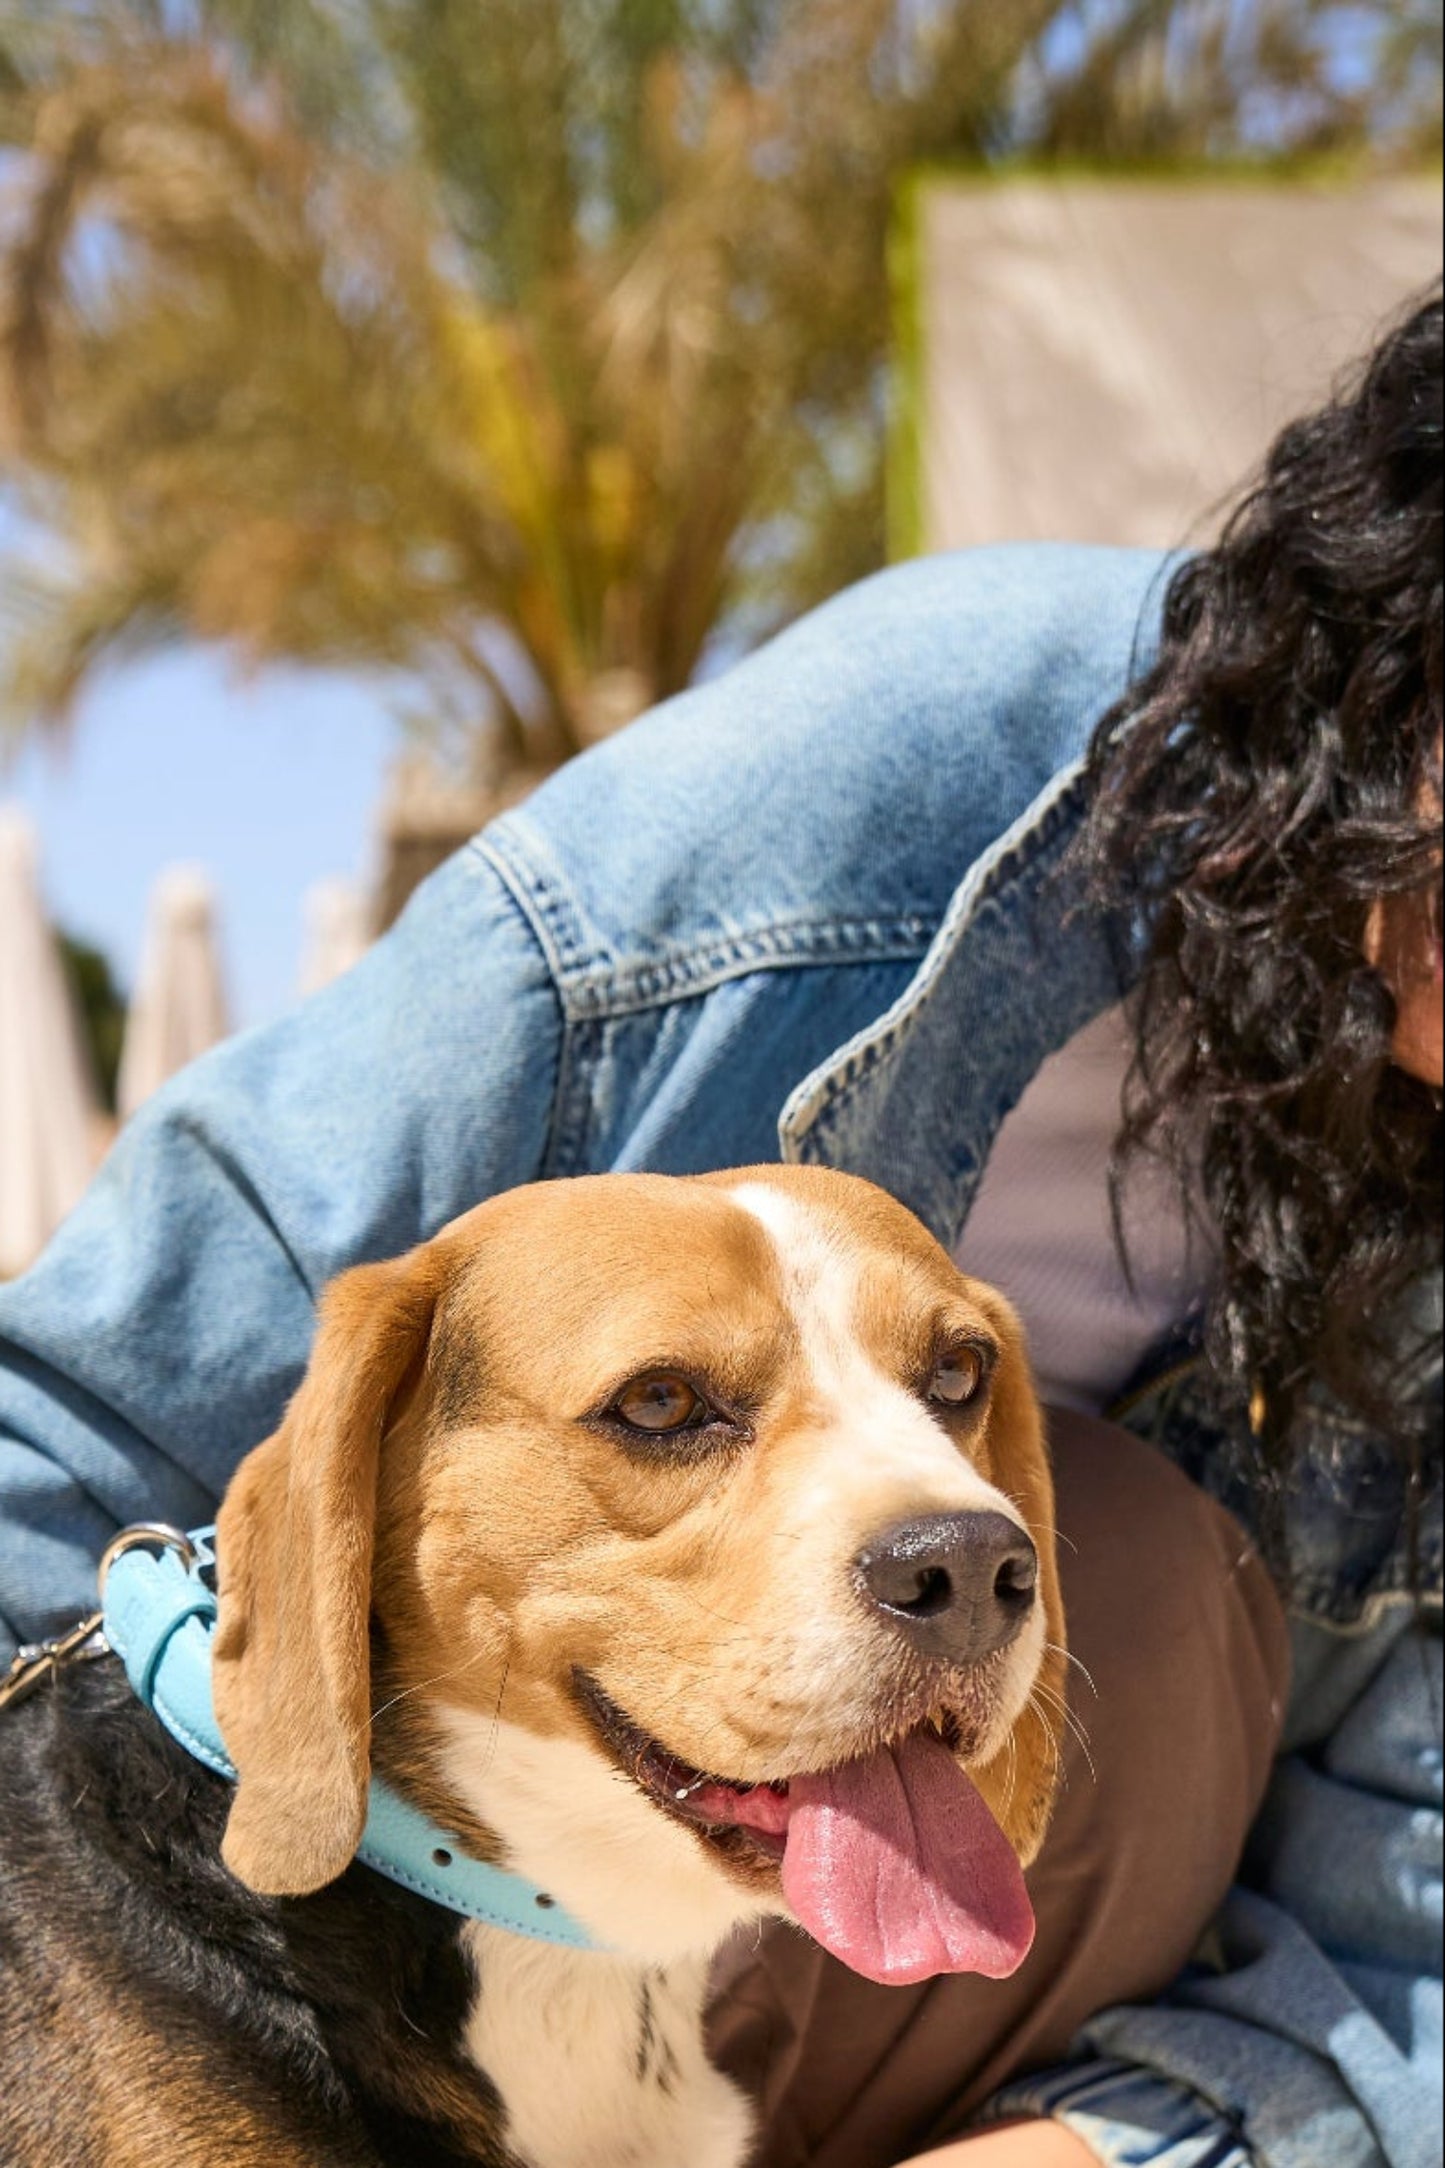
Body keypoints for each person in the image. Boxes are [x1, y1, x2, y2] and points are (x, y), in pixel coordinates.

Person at [0, 289, 1439, 2168]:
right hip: (321, 1932)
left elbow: (1410, 1932)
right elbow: (59, 1432)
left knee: (1144, 1578)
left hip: (965, 2026)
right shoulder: (868, 780)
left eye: (948, 1384)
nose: (956, 1533)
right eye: (674, 1405)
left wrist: (1109, 2154)